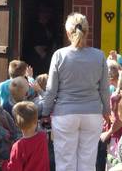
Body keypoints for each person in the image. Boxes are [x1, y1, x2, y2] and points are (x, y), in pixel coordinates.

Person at [41, 12, 110, 171]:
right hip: (92, 114)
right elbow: (104, 89)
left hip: (65, 113)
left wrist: (45, 111)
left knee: (65, 163)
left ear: (67, 32)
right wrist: (107, 110)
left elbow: (51, 89)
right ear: (87, 31)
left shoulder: (59, 55)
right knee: (87, 163)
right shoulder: (99, 56)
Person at [97, 60, 122, 171]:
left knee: (115, 165)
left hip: (119, 137)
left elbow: (121, 119)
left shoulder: (120, 93)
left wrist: (108, 133)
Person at [7, 101, 50, 171]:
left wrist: (4, 165)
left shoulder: (18, 146)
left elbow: (14, 168)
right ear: (36, 121)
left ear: (17, 124)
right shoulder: (43, 137)